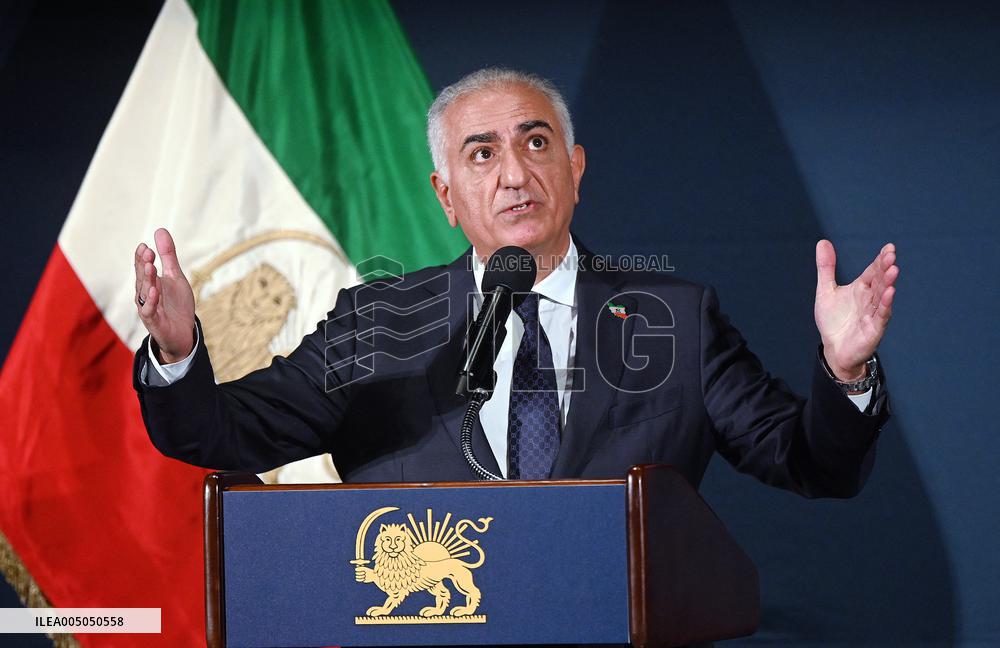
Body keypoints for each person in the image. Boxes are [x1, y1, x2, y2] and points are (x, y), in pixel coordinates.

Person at [132, 68, 897, 494]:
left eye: (536, 144)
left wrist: (846, 371)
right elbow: (219, 432)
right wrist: (175, 352)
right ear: (445, 196)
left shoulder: (675, 320)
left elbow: (812, 462)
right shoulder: (375, 325)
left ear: (575, 168)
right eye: (482, 154)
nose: (514, 175)